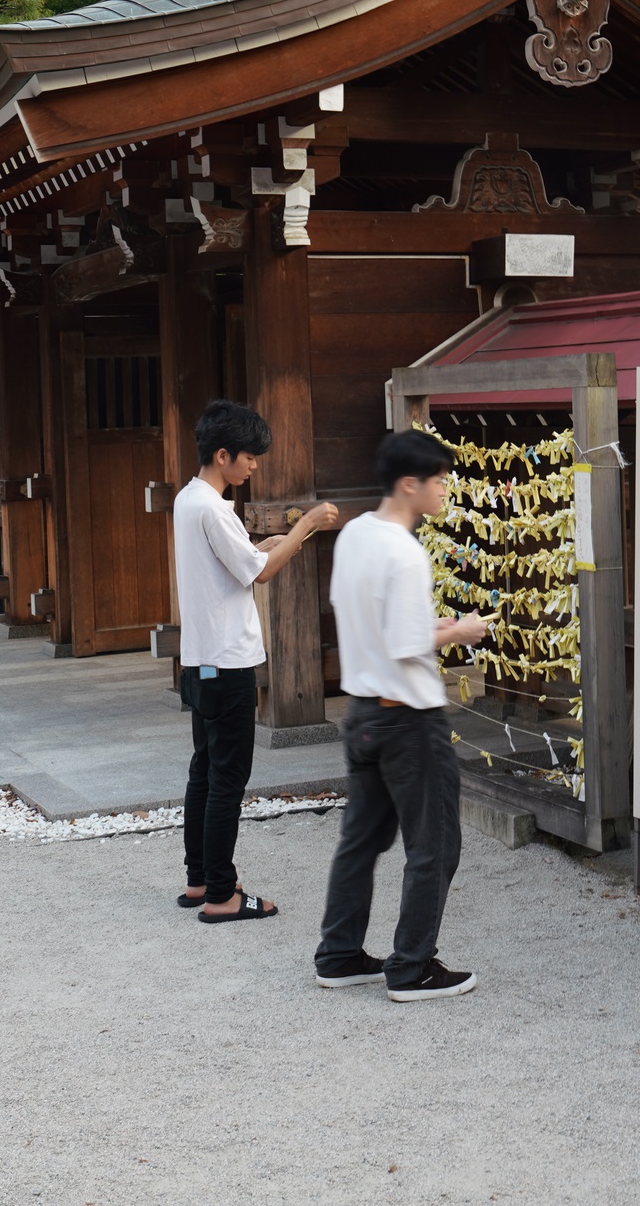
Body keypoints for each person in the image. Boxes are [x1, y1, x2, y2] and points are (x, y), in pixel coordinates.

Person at [314, 429, 488, 1000]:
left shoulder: (357, 535)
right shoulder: (406, 552)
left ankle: (338, 954)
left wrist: (427, 629)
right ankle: (412, 965)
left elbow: (368, 618)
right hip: (410, 716)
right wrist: (460, 630)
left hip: (363, 709)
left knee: (360, 841)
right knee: (435, 843)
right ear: (409, 484)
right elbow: (407, 640)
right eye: (438, 479)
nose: (444, 489)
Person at [175, 399, 337, 923]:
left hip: (199, 660)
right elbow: (261, 574)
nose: (254, 465)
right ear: (223, 455)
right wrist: (305, 526)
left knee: (204, 771)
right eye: (248, 457)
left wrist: (265, 544)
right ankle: (223, 894)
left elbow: (240, 561)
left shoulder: (188, 500)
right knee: (227, 779)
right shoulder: (215, 508)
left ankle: (199, 878)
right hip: (228, 663)